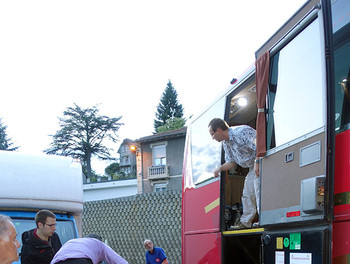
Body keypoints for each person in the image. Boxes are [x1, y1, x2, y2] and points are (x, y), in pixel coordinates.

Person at [208, 118, 260, 229]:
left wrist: (257, 161)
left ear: (218, 130)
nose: (212, 138)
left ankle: (265, 219)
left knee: (258, 190)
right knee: (247, 193)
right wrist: (219, 169)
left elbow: (259, 145)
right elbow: (231, 162)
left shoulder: (241, 132)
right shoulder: (226, 144)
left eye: (212, 134)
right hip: (252, 166)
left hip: (262, 160)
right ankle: (245, 222)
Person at [50, 234, 128, 264]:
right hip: (80, 261)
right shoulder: (99, 244)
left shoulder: (72, 241)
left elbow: (57, 256)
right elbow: (119, 261)